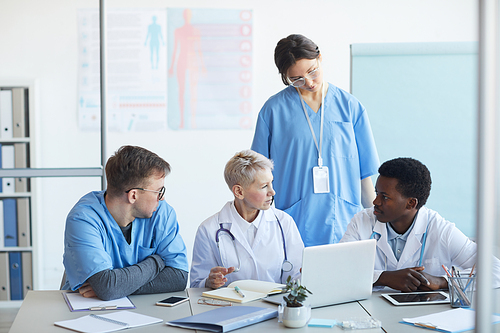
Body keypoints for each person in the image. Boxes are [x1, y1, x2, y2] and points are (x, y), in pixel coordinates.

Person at [251, 34, 379, 247]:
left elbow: (364, 176)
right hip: (294, 222)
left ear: (320, 58)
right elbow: (258, 178)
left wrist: (377, 224)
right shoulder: (273, 111)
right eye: (297, 79)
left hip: (346, 221)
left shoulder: (350, 108)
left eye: (312, 71)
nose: (308, 83)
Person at [340, 157, 500, 291]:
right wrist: (383, 277)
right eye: (376, 193)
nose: (375, 201)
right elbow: (337, 270)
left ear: (410, 203)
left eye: (385, 197)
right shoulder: (362, 222)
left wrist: (442, 282)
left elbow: (495, 271)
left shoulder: (441, 230)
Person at [61, 145, 189, 300]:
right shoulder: (83, 219)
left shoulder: (161, 212)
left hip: (141, 309)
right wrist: (156, 262)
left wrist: (119, 287)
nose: (161, 197)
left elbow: (178, 277)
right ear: (133, 196)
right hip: (85, 309)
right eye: (158, 191)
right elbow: (107, 287)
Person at [190, 150, 304, 289]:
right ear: (239, 192)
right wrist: (209, 282)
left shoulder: (284, 222)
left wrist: (305, 276)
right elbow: (196, 285)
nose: (272, 192)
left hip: (274, 307)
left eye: (271, 183)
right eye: (264, 186)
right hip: (231, 309)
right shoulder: (208, 230)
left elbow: (296, 277)